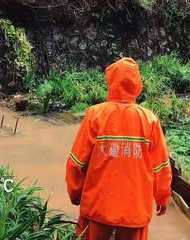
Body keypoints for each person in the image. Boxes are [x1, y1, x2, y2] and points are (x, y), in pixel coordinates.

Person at [65, 57, 172, 240]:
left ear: (111, 81)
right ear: (137, 84)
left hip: (98, 205)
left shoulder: (95, 115)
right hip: (135, 210)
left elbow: (76, 162)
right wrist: (162, 196)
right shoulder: (149, 120)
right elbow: (161, 166)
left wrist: (75, 192)